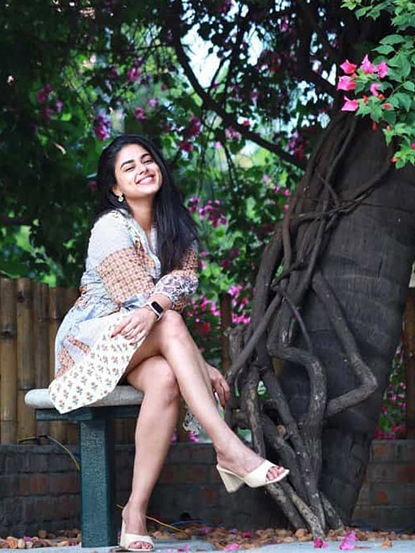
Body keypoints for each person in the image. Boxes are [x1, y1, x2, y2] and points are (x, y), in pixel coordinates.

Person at [48, 134, 288, 551]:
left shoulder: (176, 229)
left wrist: (170, 325)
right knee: (168, 318)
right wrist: (199, 359)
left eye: (147, 160)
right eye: (129, 167)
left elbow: (181, 286)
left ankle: (134, 513)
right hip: (91, 341)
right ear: (115, 188)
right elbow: (141, 301)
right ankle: (228, 448)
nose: (143, 169)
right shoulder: (109, 228)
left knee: (164, 379)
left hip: (140, 341)